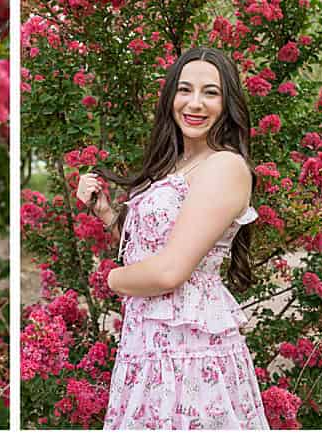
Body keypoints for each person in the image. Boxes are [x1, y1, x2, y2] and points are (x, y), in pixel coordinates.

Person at [75, 48, 268, 429]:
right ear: (171, 98)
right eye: (185, 90)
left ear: (227, 102)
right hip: (149, 344)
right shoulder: (175, 165)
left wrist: (110, 279)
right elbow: (157, 248)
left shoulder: (224, 166)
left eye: (210, 93)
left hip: (189, 350)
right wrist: (108, 215)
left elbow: (169, 271)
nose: (195, 103)